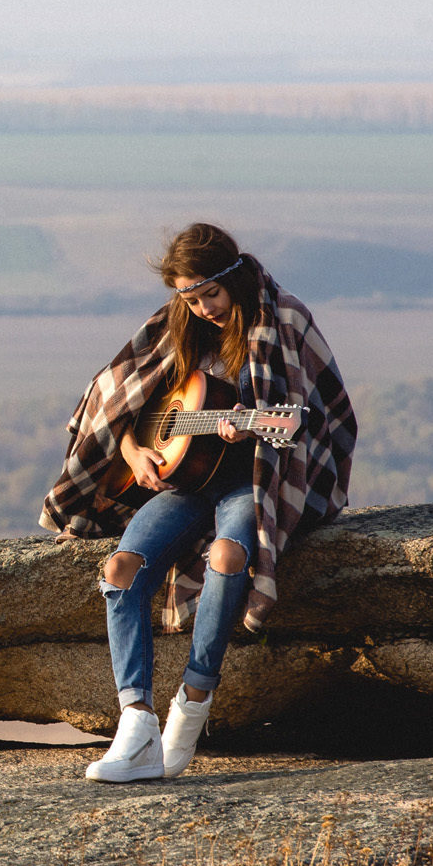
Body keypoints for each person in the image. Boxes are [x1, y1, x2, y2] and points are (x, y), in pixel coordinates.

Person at [40, 223, 357, 782]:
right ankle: (135, 724)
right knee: (120, 568)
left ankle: (191, 704)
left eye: (210, 293)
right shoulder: (176, 322)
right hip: (184, 481)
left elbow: (322, 415)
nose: (203, 307)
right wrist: (135, 450)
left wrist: (253, 430)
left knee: (229, 558)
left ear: (232, 278)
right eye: (190, 297)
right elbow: (115, 395)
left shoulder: (284, 318)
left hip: (250, 479)